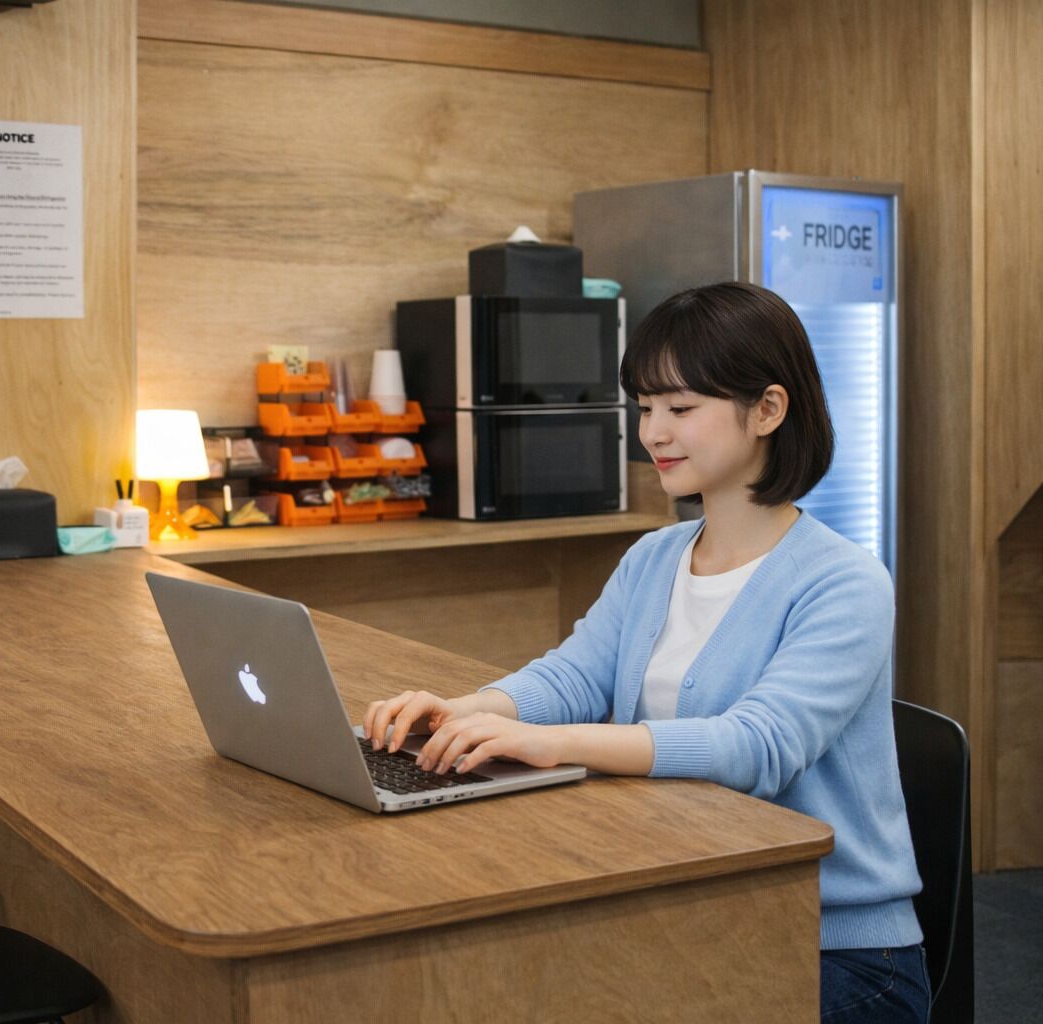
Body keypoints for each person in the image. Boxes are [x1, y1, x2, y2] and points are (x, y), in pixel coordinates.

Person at [364, 282, 929, 1023]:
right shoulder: (655, 557)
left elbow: (757, 746)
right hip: (689, 899)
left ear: (768, 409)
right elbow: (573, 676)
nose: (652, 433)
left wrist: (549, 743)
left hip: (836, 949)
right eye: (645, 407)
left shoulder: (845, 581)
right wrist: (463, 710)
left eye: (681, 409)